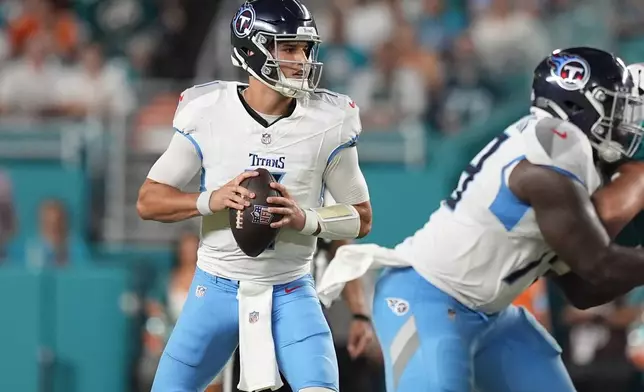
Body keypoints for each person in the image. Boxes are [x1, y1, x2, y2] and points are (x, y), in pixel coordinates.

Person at [317, 47, 644, 392]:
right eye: (616, 107)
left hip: (493, 316)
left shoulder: (565, 159)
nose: (625, 123)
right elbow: (599, 266)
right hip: (426, 298)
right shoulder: (549, 162)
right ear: (578, 106)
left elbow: (583, 289)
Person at [136, 0, 372, 391]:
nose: (302, 59)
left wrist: (307, 218)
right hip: (215, 287)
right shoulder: (209, 110)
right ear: (251, 49)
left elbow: (362, 218)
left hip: (291, 288)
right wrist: (209, 200)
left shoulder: (330, 120)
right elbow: (148, 200)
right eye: (289, 48)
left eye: (305, 48)